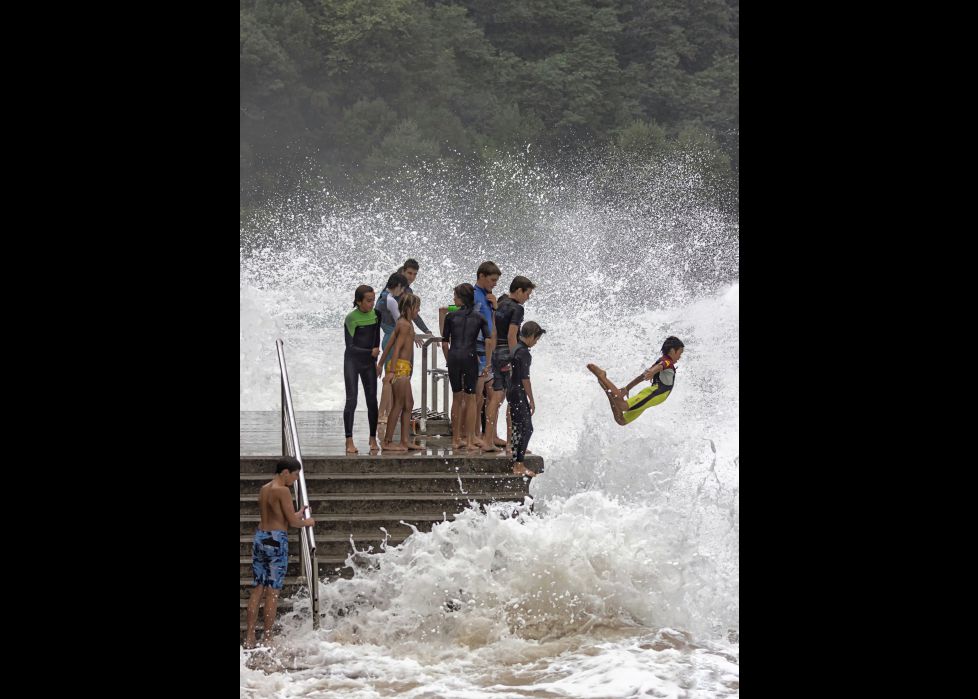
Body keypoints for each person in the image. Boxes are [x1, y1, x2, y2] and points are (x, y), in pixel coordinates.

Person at [245, 457, 316, 649]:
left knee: (258, 588)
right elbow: (292, 523)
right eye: (294, 475)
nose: (294, 480)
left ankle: (250, 636)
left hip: (261, 537)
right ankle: (267, 637)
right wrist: (306, 522)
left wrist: (299, 513)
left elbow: (282, 515)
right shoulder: (282, 490)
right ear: (285, 472)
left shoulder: (265, 489)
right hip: (276, 541)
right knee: (273, 591)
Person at [483, 276, 535, 452]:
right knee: (514, 398)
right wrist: (516, 359)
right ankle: (512, 443)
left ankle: (488, 440)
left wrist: (491, 359)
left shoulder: (501, 304)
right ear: (519, 290)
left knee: (496, 397)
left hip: (497, 353)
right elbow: (513, 335)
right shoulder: (517, 309)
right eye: (527, 293)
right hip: (508, 354)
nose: (528, 297)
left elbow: (494, 332)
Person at [586, 336, 685, 425]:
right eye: (680, 353)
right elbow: (661, 366)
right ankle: (603, 377)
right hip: (653, 394)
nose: (680, 357)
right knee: (622, 406)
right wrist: (652, 371)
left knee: (621, 420)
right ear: (672, 351)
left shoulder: (662, 360)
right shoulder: (667, 362)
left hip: (653, 398)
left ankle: (605, 386)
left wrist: (627, 388)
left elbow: (643, 375)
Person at [441, 283, 491, 451]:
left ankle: (455, 440)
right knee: (470, 399)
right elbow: (489, 340)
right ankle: (469, 440)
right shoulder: (479, 318)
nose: (454, 298)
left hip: (454, 356)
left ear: (462, 298)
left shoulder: (450, 316)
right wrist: (488, 362)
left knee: (456, 398)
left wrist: (449, 360)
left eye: (455, 296)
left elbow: (444, 343)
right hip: (470, 357)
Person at [376, 293, 424, 451]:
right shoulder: (405, 325)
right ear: (410, 308)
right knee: (398, 404)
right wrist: (390, 371)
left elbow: (389, 344)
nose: (418, 310)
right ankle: (387, 442)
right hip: (400, 368)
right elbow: (396, 349)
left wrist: (381, 363)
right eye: (417, 307)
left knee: (409, 404)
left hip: (402, 367)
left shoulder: (402, 322)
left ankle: (405, 441)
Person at [343, 285, 381, 454]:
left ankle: (372, 438)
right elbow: (350, 347)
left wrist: (375, 359)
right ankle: (349, 440)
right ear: (358, 301)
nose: (372, 303)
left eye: (373, 300)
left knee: (372, 401)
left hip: (369, 363)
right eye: (368, 300)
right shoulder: (351, 318)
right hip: (352, 361)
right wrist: (369, 352)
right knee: (352, 400)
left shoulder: (376, 315)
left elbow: (376, 339)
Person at [508, 322, 546, 477]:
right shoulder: (524, 353)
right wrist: (531, 399)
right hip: (518, 392)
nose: (536, 343)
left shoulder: (515, 348)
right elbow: (525, 379)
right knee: (527, 428)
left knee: (518, 427)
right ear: (531, 336)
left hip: (511, 391)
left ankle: (516, 459)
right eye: (536, 339)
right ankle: (518, 465)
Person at [472, 261, 501, 443]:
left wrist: (495, 306)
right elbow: (464, 314)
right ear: (481, 276)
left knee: (491, 394)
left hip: (489, 348)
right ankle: (474, 434)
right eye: (492, 280)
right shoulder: (474, 295)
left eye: (496, 281)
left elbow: (492, 321)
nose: (494, 283)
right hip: (477, 348)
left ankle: (490, 434)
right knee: (477, 394)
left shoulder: (488, 296)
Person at [375, 272, 408, 426]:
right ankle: (382, 413)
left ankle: (386, 413)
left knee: (389, 376)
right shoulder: (391, 301)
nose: (402, 293)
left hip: (386, 337)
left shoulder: (381, 297)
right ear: (399, 286)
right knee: (389, 377)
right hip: (393, 338)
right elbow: (400, 321)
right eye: (402, 289)